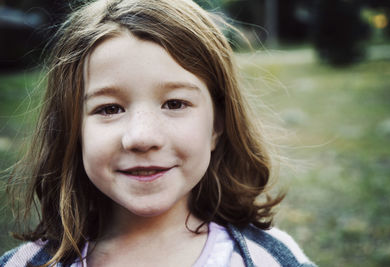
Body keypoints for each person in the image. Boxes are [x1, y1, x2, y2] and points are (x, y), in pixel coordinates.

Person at [0, 0, 316, 266]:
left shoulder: (269, 258)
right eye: (109, 108)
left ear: (217, 125)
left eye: (175, 103)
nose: (142, 137)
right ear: (73, 130)